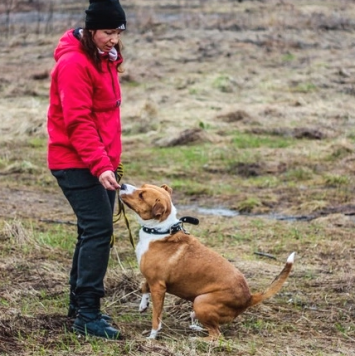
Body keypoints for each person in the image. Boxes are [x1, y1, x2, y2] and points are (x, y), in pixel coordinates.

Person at [46, 0, 126, 340]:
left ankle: (79, 307)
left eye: (119, 32)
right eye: (108, 32)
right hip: (76, 162)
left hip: (100, 162)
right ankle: (88, 316)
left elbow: (105, 117)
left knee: (91, 232)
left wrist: (111, 163)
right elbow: (78, 122)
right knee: (97, 231)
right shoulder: (74, 64)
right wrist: (100, 165)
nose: (114, 39)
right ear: (91, 29)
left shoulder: (103, 58)